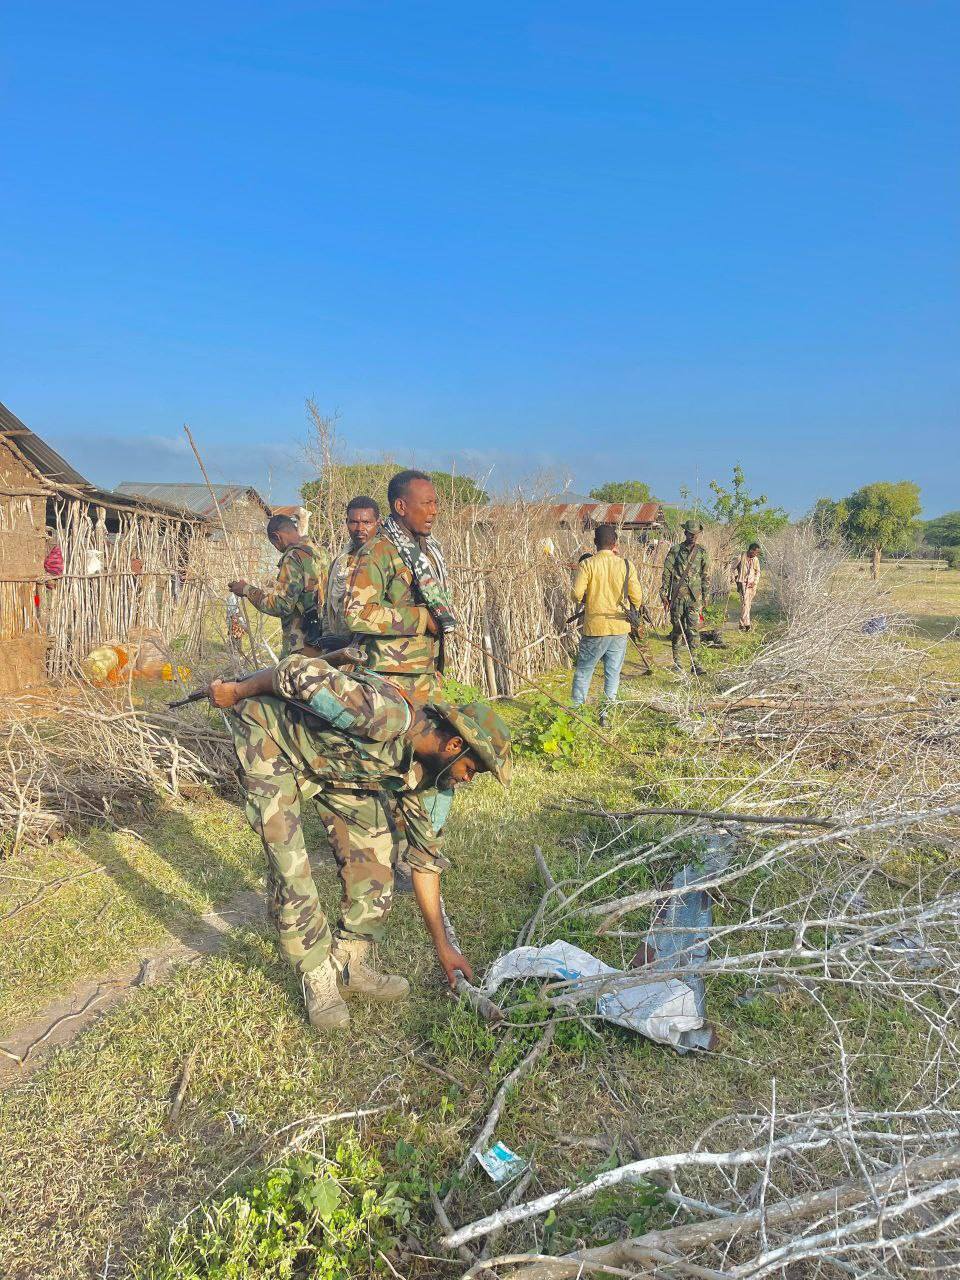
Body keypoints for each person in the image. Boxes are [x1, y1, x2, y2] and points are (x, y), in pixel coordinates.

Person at [207, 653, 511, 1031]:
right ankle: (318, 976)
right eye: (473, 769)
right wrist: (236, 691)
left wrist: (444, 948)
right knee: (290, 864)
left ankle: (350, 965)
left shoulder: (424, 775)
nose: (468, 779)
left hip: (334, 767)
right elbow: (294, 671)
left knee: (378, 852)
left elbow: (425, 861)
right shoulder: (384, 714)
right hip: (271, 741)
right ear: (453, 746)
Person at [342, 470, 456, 700]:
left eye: (435, 503)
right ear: (401, 507)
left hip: (425, 673)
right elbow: (357, 615)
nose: (434, 511)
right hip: (390, 681)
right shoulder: (378, 552)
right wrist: (422, 619)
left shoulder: (426, 551)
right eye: (426, 503)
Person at [570, 524, 645, 721]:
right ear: (615, 544)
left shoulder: (587, 564)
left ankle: (577, 714)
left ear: (595, 543)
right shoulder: (627, 565)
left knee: (584, 671)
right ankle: (606, 714)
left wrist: (590, 599)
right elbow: (637, 597)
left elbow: (576, 594)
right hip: (620, 627)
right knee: (612, 673)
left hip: (595, 627)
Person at [229, 515, 326, 656]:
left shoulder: (293, 556)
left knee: (287, 676)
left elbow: (282, 605)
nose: (277, 548)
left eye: (274, 544)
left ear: (277, 536)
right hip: (323, 640)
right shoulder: (321, 553)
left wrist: (246, 590)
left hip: (302, 644)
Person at [324, 496, 380, 635]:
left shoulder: (384, 559)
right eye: (354, 522)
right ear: (346, 522)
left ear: (377, 523)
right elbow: (329, 607)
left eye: (367, 522)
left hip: (373, 646)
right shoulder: (340, 562)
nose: (360, 528)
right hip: (342, 643)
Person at [661, 520, 710, 676]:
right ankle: (677, 662)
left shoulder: (702, 552)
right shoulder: (675, 551)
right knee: (677, 630)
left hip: (694, 598)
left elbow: (705, 575)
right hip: (677, 597)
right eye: (690, 534)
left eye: (695, 534)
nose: (693, 537)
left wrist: (706, 595)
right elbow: (667, 573)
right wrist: (664, 593)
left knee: (693, 630)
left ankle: (696, 664)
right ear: (685, 533)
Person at [735, 542, 761, 631]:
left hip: (752, 585)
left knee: (747, 605)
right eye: (756, 552)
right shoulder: (741, 557)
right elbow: (732, 568)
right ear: (751, 550)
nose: (756, 554)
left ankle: (744, 624)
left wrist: (755, 582)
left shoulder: (756, 559)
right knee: (745, 604)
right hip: (742, 584)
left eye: (757, 553)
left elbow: (758, 572)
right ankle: (745, 624)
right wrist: (735, 577)